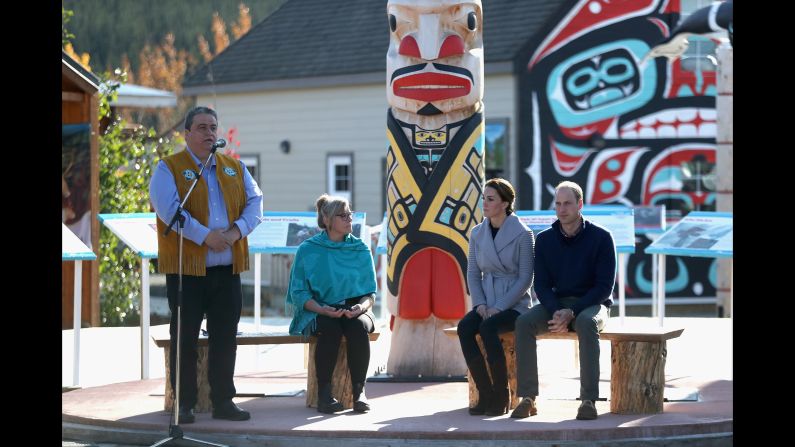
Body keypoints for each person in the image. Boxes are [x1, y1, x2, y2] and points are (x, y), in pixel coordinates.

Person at [149, 106, 263, 423]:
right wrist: (204, 237)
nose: (209, 133)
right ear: (186, 133)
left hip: (227, 271)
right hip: (188, 272)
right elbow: (168, 209)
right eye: (201, 127)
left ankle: (223, 401)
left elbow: (257, 203)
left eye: (213, 127)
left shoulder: (233, 168)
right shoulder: (168, 168)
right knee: (184, 338)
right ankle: (183, 404)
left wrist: (234, 232)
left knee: (225, 337)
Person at [510, 181, 616, 421]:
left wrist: (573, 311)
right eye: (557, 204)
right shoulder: (546, 239)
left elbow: (603, 287)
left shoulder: (601, 238)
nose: (562, 209)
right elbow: (542, 285)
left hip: (592, 303)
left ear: (580, 204)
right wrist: (559, 310)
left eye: (567, 203)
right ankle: (528, 398)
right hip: (556, 305)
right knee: (524, 322)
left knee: (587, 324)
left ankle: (588, 400)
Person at [286, 194, 377, 414]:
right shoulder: (308, 249)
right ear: (327, 219)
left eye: (350, 214)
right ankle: (324, 395)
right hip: (319, 308)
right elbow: (298, 292)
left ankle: (359, 392)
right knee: (330, 329)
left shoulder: (360, 248)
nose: (349, 219)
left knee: (358, 328)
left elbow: (370, 294)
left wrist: (361, 308)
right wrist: (321, 309)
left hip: (355, 307)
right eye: (343, 215)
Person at [457, 178, 534, 416]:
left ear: (505, 203)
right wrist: (479, 303)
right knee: (465, 327)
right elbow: (472, 272)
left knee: (489, 328)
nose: (485, 203)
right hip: (485, 301)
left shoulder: (523, 234)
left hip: (515, 304)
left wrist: (499, 307)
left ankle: (502, 395)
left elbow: (525, 279)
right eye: (484, 198)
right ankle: (485, 392)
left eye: (490, 199)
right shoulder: (477, 232)